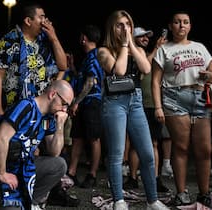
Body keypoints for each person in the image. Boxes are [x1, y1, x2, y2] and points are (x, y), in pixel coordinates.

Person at [97, 10, 169, 210]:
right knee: (117, 154)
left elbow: (146, 69)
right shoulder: (104, 50)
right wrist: (124, 45)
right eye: (120, 25)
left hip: (135, 101)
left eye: (127, 24)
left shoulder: (136, 48)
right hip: (114, 102)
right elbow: (119, 71)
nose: (125, 28)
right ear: (112, 27)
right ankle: (118, 200)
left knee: (147, 153)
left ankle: (152, 200)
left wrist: (132, 46)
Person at [0, 80, 74, 210]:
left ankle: (31, 202)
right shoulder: (26, 106)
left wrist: (60, 126)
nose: (64, 110)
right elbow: (0, 138)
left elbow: (54, 152)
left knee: (59, 164)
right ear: (52, 94)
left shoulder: (49, 118)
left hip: (22, 169)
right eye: (64, 104)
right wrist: (2, 173)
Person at [152, 11, 212, 208]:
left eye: (185, 22)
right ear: (171, 26)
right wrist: (158, 106)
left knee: (204, 150)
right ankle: (182, 192)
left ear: (190, 26)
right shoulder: (164, 49)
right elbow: (155, 81)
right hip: (174, 97)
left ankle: (204, 193)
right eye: (177, 22)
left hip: (200, 97)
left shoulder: (200, 48)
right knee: (182, 147)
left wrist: (209, 74)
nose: (181, 25)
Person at [0, 1, 67, 116]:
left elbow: (62, 66)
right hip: (16, 110)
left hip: (42, 110)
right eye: (41, 17)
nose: (45, 21)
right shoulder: (9, 40)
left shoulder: (45, 41)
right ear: (28, 21)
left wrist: (54, 38)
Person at [123, 27, 170, 193]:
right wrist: (156, 47)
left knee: (155, 143)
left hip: (153, 105)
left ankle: (156, 179)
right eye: (141, 36)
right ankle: (133, 178)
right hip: (139, 104)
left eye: (146, 37)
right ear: (132, 38)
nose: (145, 39)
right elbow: (145, 69)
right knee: (136, 144)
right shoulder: (135, 55)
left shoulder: (152, 54)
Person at [67, 24, 103, 188]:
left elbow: (90, 83)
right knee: (77, 137)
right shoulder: (87, 58)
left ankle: (92, 174)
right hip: (83, 103)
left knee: (93, 138)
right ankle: (71, 173)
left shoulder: (95, 56)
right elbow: (82, 79)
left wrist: (76, 102)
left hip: (92, 102)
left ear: (84, 38)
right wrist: (72, 66)